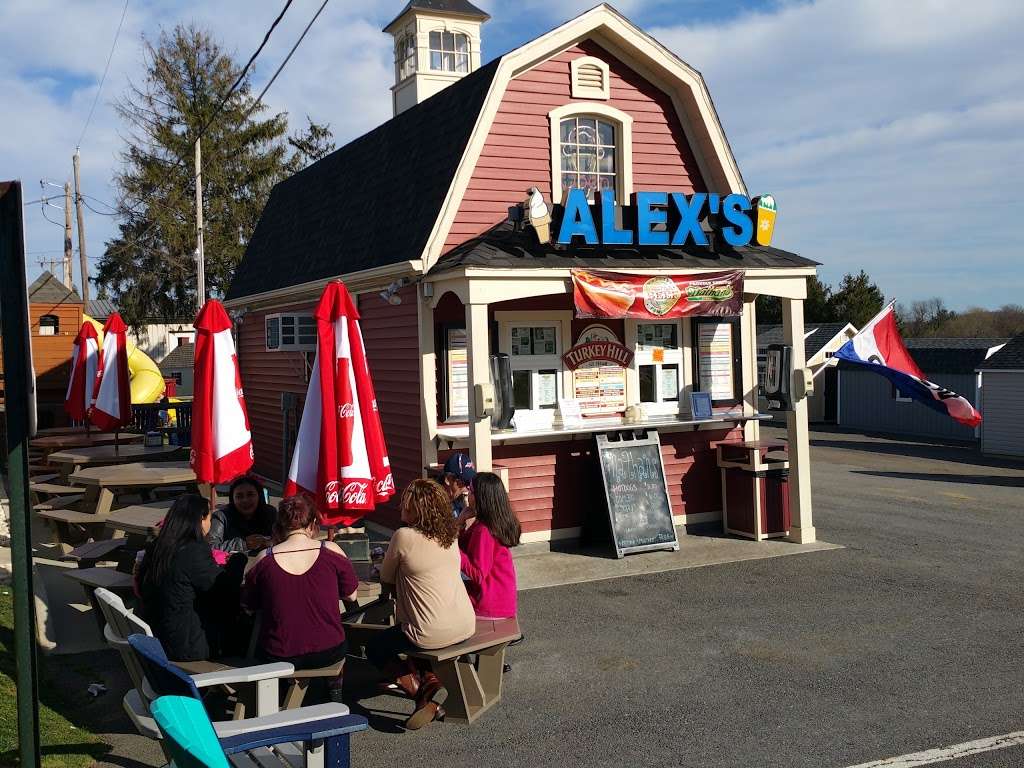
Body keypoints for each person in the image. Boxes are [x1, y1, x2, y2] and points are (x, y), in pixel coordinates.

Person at [366, 479, 476, 730]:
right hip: (464, 623)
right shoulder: (449, 534)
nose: (400, 508)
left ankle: (422, 694)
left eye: (406, 504)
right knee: (419, 623)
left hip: (429, 632)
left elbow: (386, 576)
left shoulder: (404, 536)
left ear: (418, 509)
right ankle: (429, 679)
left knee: (376, 647)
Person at [242, 495, 359, 682]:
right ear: (313, 524)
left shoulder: (264, 559)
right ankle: (334, 689)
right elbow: (351, 596)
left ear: (279, 526)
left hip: (280, 653)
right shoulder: (331, 551)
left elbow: (249, 606)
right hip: (329, 649)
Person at [137, 494, 247, 664]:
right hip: (185, 644)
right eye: (210, 517)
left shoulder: (159, 545)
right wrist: (238, 560)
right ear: (202, 519)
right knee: (243, 618)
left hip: (158, 632)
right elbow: (223, 589)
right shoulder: (193, 550)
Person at [459, 472, 520, 619]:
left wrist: (453, 549)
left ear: (481, 498)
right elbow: (464, 544)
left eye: (471, 491)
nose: (468, 494)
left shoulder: (484, 531)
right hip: (502, 601)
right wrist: (460, 522)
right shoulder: (491, 524)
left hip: (490, 605)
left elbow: (478, 574)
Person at [208, 475, 277, 554]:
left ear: (259, 496)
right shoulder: (221, 517)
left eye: (250, 495)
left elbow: (284, 539)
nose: (245, 500)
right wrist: (243, 544)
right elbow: (210, 547)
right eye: (239, 496)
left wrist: (271, 542)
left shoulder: (270, 513)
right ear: (232, 499)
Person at [440, 452, 476, 518]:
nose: (468, 487)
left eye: (471, 483)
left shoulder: (459, 500)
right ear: (448, 480)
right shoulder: (433, 504)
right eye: (464, 482)